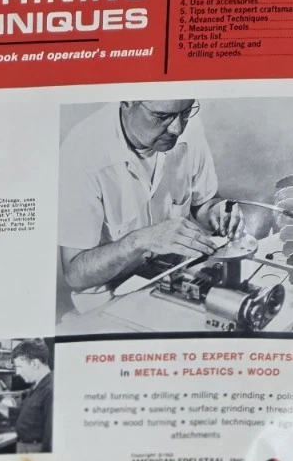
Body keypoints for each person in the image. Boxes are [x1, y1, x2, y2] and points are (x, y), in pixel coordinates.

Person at [58, 100, 245, 314]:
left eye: (186, 112)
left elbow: (203, 203)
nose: (177, 129)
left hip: (176, 280)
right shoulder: (82, 150)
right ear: (127, 102)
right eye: (162, 117)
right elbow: (75, 274)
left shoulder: (189, 127)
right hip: (110, 300)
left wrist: (215, 212)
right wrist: (139, 240)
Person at [11, 340, 53, 453]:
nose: (18, 372)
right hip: (25, 447)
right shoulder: (36, 385)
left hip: (35, 450)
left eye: (20, 366)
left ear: (34, 364)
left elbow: (50, 435)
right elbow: (28, 414)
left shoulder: (50, 389)